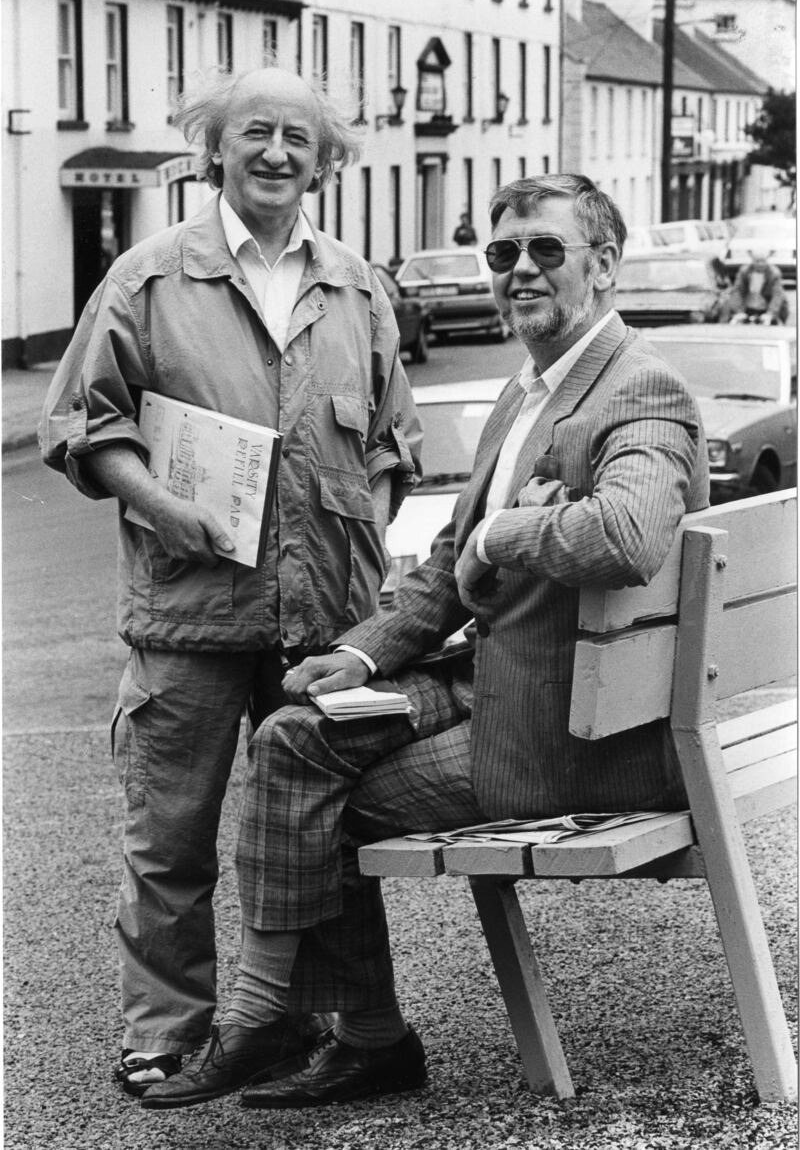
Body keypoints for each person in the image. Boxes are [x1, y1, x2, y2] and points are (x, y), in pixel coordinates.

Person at [138, 174, 710, 1112]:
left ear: (605, 267)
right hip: (512, 680)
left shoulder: (638, 386)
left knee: (308, 790)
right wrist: (361, 654)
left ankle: (296, 1022)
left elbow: (624, 534)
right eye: (503, 254)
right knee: (295, 731)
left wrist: (500, 535)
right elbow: (449, 563)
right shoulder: (532, 388)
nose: (519, 271)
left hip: (578, 734)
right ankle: (321, 1028)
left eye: (547, 252)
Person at [38, 65, 422, 1096]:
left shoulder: (355, 286)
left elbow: (391, 442)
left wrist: (370, 541)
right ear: (216, 146)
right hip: (191, 615)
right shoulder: (151, 275)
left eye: (299, 139)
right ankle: (165, 1028)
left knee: (320, 834)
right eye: (256, 132)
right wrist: (163, 506)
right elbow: (81, 422)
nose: (276, 154)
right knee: (169, 839)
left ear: (325, 161)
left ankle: (306, 1028)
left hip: (322, 626)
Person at [725, 252, 788, 324]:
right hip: (747, 308)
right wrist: (738, 311)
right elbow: (737, 291)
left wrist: (771, 313)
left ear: (767, 261)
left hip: (766, 308)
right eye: (757, 261)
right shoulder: (744, 272)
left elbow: (777, 295)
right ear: (753, 261)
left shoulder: (774, 274)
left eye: (763, 261)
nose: (760, 264)